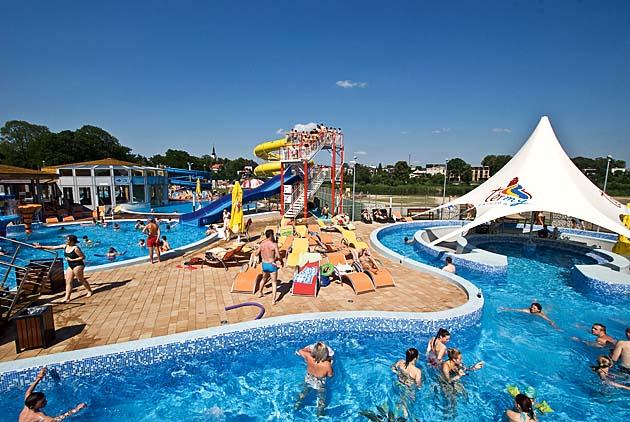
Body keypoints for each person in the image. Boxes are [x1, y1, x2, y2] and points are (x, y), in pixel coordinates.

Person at [36, 235, 92, 303]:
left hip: (78, 265)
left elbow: (83, 257)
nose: (66, 241)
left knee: (80, 279)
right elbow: (53, 247)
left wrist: (72, 260)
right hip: (70, 265)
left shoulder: (76, 248)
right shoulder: (65, 246)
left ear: (72, 241)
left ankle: (89, 291)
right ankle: (67, 298)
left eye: (67, 240)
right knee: (68, 281)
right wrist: (41, 247)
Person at [19, 367, 87, 422]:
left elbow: (28, 391)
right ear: (33, 406)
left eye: (44, 399)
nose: (46, 401)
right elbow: (55, 420)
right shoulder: (39, 416)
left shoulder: (27, 405)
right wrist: (76, 409)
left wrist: (39, 378)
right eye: (42, 402)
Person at [295, 342, 334, 416]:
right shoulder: (327, 364)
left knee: (304, 391)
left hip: (309, 378)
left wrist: (308, 349)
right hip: (320, 382)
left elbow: (300, 351)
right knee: (322, 397)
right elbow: (330, 375)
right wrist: (331, 362)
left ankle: (297, 404)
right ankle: (320, 412)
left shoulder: (308, 356)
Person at [255, 229, 283, 304]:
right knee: (274, 282)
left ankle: (260, 293)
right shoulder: (274, 244)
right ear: (271, 235)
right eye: (273, 235)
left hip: (264, 264)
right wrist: (281, 261)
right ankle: (273, 300)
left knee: (264, 279)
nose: (273, 236)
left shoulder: (262, 244)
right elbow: (279, 256)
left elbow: (256, 253)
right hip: (272, 265)